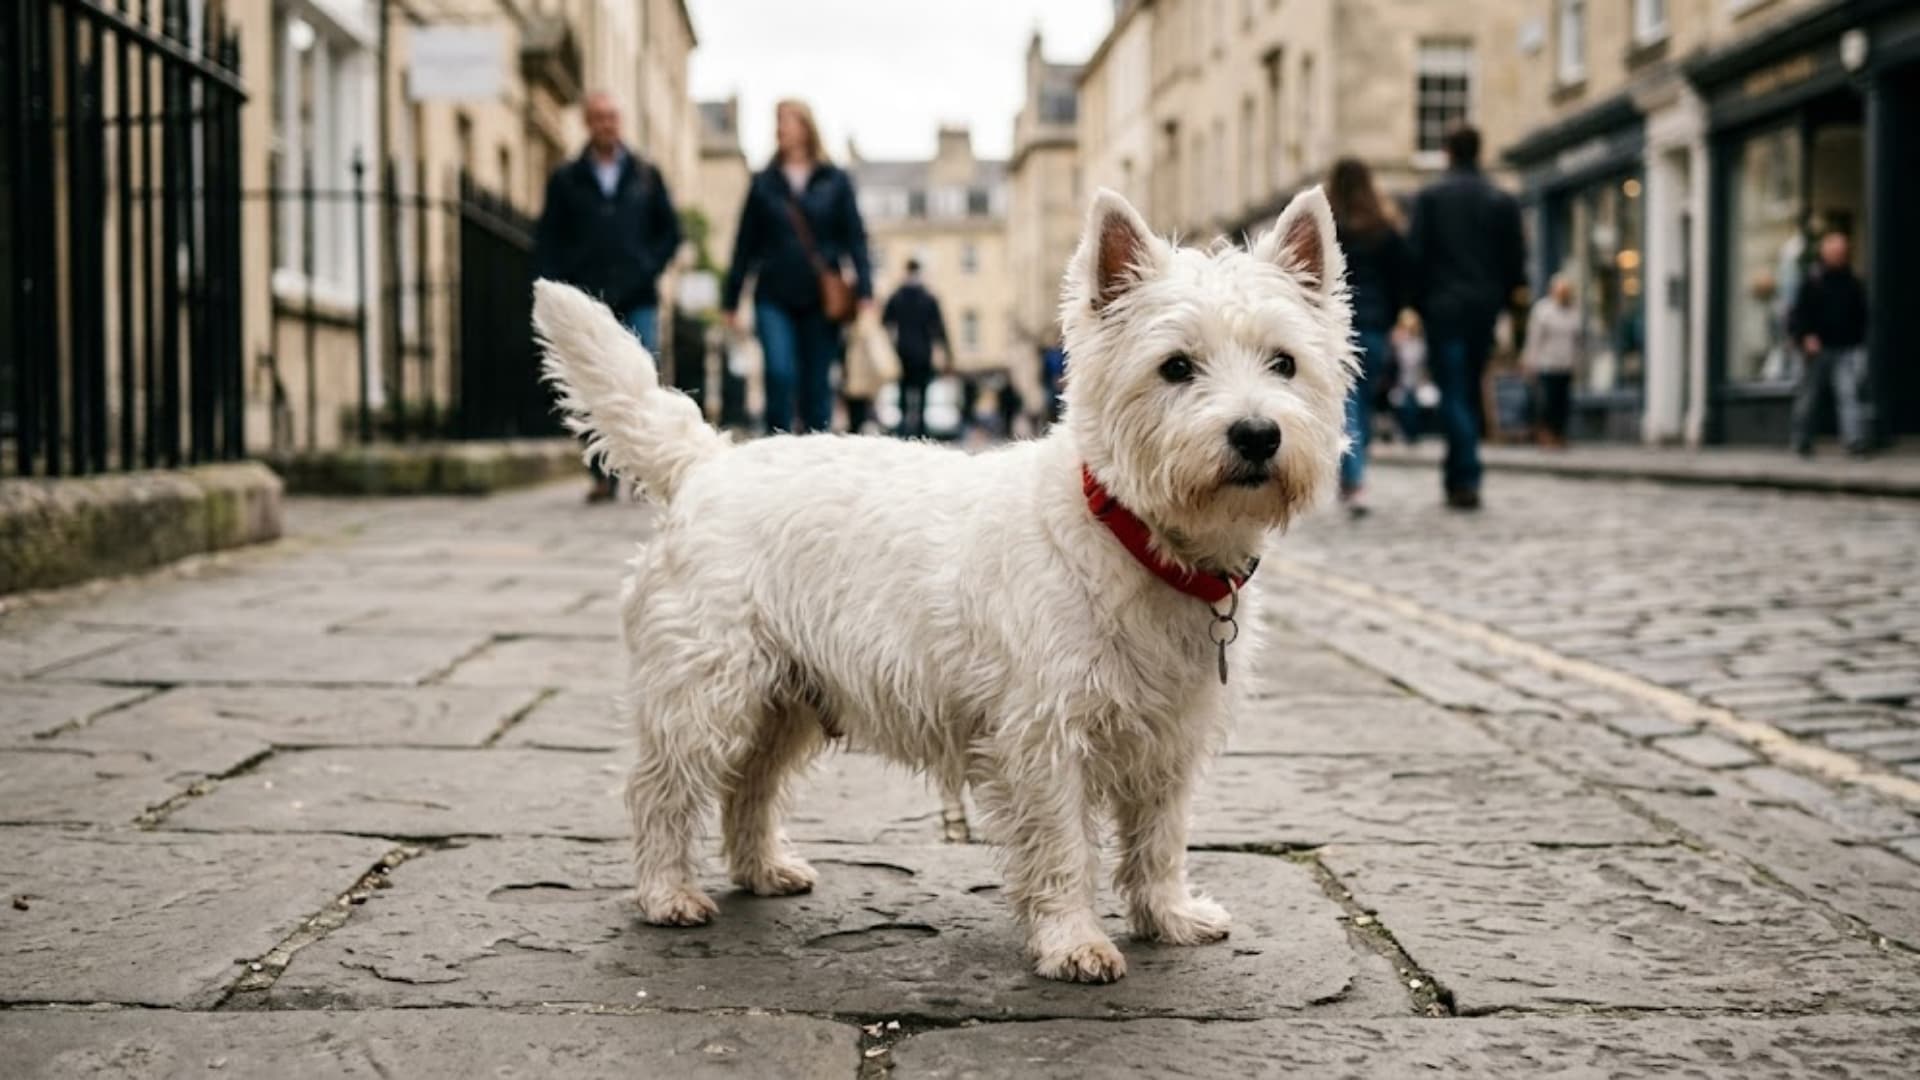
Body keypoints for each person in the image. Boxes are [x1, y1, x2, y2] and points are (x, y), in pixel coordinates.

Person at [533, 90, 682, 501]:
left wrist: (647, 265)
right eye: (598, 117)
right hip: (588, 290)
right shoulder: (567, 179)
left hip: (638, 293)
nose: (606, 124)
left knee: (641, 382)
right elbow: (549, 238)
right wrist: (556, 282)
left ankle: (641, 472)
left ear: (621, 121)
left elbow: (670, 232)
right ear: (587, 122)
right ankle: (600, 473)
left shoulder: (646, 175)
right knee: (592, 382)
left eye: (612, 116)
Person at [721, 100, 874, 434]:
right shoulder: (764, 182)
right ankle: (776, 454)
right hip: (773, 294)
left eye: (786, 121)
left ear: (806, 127)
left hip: (822, 299)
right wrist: (731, 299)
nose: (780, 128)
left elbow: (856, 237)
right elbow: (744, 243)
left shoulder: (835, 180)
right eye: (777, 121)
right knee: (778, 372)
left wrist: (865, 291)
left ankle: (813, 463)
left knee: (816, 384)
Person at [1409, 126, 1526, 511]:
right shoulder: (1501, 199)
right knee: (1469, 389)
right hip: (1484, 309)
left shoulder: (1430, 198)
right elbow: (1515, 260)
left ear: (1447, 152)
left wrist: (1417, 302)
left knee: (1454, 392)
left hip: (1444, 310)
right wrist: (1507, 300)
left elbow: (1417, 256)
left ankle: (1466, 473)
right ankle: (1459, 472)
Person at [1326, 158, 1411, 518]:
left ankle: (1354, 478)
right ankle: (1354, 476)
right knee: (1360, 404)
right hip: (1375, 326)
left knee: (1348, 405)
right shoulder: (1384, 229)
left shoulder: (1331, 227)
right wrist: (1392, 317)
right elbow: (1402, 280)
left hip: (1338, 325)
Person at [1788, 230, 1873, 457]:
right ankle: (1802, 440)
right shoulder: (1813, 280)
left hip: (1845, 347)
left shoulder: (1852, 282)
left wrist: (1858, 341)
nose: (1839, 255)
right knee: (1809, 396)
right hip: (1816, 348)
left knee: (1848, 394)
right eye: (1834, 251)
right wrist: (1805, 336)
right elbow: (1798, 314)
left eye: (1842, 251)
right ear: (1825, 253)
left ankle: (1854, 440)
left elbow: (1861, 314)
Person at [881, 258, 950, 439]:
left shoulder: (897, 296)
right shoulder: (928, 297)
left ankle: (903, 428)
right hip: (922, 353)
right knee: (921, 392)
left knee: (904, 390)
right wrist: (947, 353)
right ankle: (920, 430)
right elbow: (939, 328)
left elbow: (885, 322)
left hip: (902, 352)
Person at [1521, 274, 1581, 448]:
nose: (1564, 295)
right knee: (1548, 402)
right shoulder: (1543, 310)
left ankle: (1559, 434)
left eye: (1567, 291)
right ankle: (1546, 435)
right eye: (1561, 291)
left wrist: (1578, 364)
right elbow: (1534, 339)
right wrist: (1529, 362)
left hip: (1566, 364)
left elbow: (1577, 342)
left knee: (1563, 403)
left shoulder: (1573, 311)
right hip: (1547, 364)